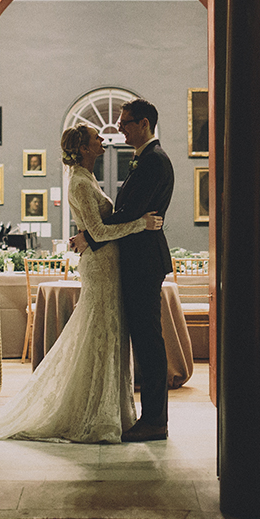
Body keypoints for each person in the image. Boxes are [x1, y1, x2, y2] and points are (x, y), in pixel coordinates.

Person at [0, 124, 162, 443]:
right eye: (96, 137)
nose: (102, 139)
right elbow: (102, 231)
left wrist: (87, 236)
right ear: (83, 148)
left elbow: (95, 228)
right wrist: (141, 224)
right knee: (100, 333)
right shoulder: (79, 181)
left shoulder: (87, 176)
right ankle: (93, 411)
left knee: (108, 334)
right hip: (100, 266)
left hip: (108, 262)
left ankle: (110, 408)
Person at [82, 98, 174, 442]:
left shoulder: (153, 162)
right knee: (144, 338)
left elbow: (130, 212)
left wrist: (88, 236)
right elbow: (132, 213)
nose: (118, 129)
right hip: (138, 258)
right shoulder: (146, 160)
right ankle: (151, 417)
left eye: (125, 123)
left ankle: (155, 420)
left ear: (145, 124)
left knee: (149, 341)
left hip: (145, 261)